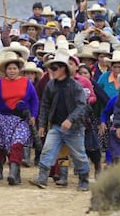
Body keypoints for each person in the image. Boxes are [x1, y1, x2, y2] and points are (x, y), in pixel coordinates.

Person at [30, 49, 90, 191]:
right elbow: (44, 105)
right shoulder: (51, 85)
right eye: (51, 68)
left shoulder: (76, 86)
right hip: (56, 126)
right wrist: (42, 124)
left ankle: (84, 180)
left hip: (74, 128)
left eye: (55, 68)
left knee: (79, 155)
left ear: (64, 69)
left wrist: (70, 119)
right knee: (47, 149)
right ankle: (42, 178)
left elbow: (82, 106)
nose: (51, 70)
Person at [0, 51, 39, 185]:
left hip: (21, 119)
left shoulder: (26, 83)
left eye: (14, 68)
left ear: (19, 70)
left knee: (17, 144)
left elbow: (35, 100)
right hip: (2, 118)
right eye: (9, 68)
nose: (12, 71)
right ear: (5, 70)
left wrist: (33, 116)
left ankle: (14, 173)